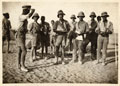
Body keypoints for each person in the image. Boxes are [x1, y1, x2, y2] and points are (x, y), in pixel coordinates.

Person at [16, 5, 35, 72]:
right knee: (24, 50)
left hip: (22, 35)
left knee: (20, 51)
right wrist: (32, 11)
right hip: (20, 35)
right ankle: (22, 66)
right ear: (25, 10)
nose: (28, 12)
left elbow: (25, 28)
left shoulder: (24, 18)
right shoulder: (22, 16)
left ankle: (18, 65)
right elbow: (28, 16)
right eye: (27, 11)